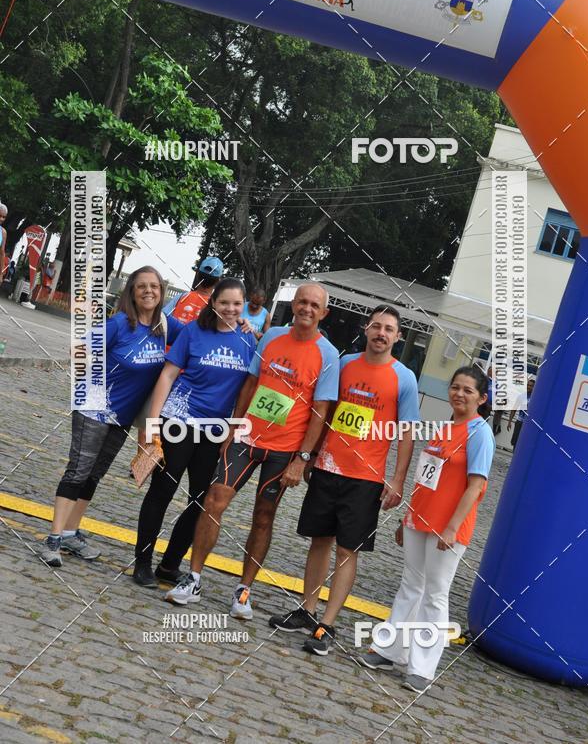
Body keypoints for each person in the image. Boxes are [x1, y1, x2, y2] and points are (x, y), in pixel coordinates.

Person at [165, 283, 340, 615]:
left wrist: (301, 459)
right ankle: (194, 577)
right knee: (214, 500)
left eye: (314, 305)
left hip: (284, 450)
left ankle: (244, 590)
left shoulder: (329, 355)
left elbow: (321, 411)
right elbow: (249, 383)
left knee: (263, 516)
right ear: (294, 304)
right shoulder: (273, 336)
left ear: (323, 313)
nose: (306, 308)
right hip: (246, 437)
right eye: (302, 301)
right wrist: (234, 425)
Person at [269, 306, 421, 655]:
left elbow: (408, 433)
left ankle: (328, 624)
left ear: (398, 337)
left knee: (347, 550)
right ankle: (307, 611)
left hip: (365, 479)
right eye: (376, 326)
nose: (381, 333)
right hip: (327, 469)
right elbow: (326, 411)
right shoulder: (345, 363)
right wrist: (310, 455)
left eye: (389, 329)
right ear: (366, 329)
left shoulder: (405, 378)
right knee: (318, 541)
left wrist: (397, 480)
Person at [357, 366, 495, 693]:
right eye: (455, 387)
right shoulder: (445, 428)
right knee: (410, 586)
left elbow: (475, 486)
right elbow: (426, 478)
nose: (459, 394)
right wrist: (408, 518)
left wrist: (451, 528)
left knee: (435, 594)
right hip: (420, 520)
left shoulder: (480, 433)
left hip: (448, 529)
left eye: (468, 390)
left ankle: (422, 668)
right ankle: (391, 651)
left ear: (482, 398)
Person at [38, 266, 183, 568]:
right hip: (95, 409)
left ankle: (70, 533)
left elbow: (201, 331)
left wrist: (243, 325)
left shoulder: (165, 327)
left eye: (154, 286)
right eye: (141, 286)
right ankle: (52, 538)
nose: (148, 291)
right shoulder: (119, 324)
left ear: (161, 292)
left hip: (124, 417)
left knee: (94, 475)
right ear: (132, 291)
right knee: (78, 471)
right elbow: (78, 350)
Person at [132, 278, 257, 587]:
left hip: (214, 430)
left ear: (244, 307)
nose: (230, 309)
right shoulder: (194, 331)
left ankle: (170, 564)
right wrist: (152, 421)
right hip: (178, 421)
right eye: (224, 302)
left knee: (201, 500)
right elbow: (168, 375)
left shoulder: (249, 340)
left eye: (236, 304)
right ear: (213, 302)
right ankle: (143, 562)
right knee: (162, 492)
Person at [164, 256, 223, 324]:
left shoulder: (180, 298)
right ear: (218, 281)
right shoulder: (217, 307)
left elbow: (162, 318)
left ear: (197, 275)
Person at [507, 376, 535, 450]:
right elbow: (514, 409)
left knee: (524, 443)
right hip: (519, 422)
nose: (529, 387)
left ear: (534, 387)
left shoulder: (536, 398)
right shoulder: (521, 396)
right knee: (515, 441)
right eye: (528, 385)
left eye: (531, 386)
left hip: (528, 424)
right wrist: (509, 421)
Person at [0, 203, 7, 279]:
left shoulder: (3, 232)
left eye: (4, 217)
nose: (1, 219)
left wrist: (1, 274)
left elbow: (2, 253)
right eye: (0, 216)